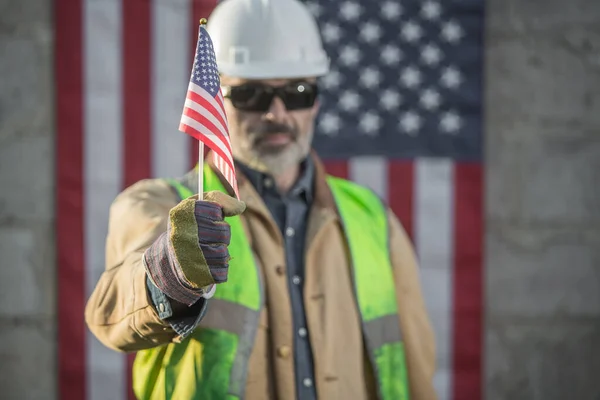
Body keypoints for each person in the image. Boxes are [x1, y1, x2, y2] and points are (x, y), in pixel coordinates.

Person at [85, 0, 437, 398]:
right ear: (218, 100)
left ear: (317, 102)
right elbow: (110, 315)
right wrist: (171, 271)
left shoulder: (372, 217)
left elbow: (416, 367)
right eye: (252, 94)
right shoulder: (159, 206)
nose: (276, 113)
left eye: (297, 92)